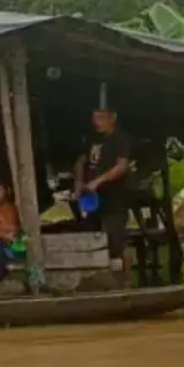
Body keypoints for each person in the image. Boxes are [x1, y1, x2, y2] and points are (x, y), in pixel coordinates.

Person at [74, 105, 133, 277]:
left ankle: (123, 281)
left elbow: (122, 166)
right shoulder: (91, 139)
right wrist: (78, 183)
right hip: (91, 200)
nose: (96, 122)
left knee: (115, 240)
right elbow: (80, 162)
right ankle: (97, 279)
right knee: (91, 237)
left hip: (115, 198)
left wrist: (99, 181)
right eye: (94, 118)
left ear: (112, 117)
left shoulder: (121, 138)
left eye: (100, 117)